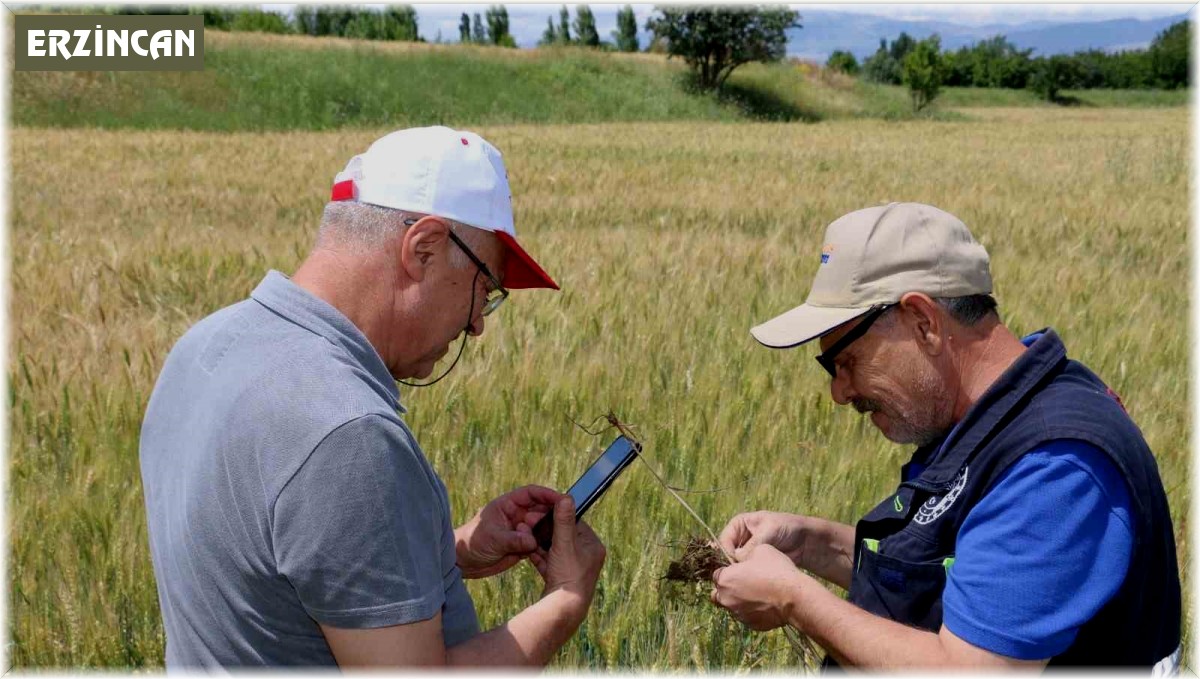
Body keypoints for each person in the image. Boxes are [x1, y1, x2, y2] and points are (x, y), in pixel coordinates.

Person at [139, 126, 606, 668]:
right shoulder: (346, 433)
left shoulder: (204, 346)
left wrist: (449, 552)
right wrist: (565, 601)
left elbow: (278, 567)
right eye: (485, 287)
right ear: (424, 248)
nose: (478, 322)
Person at [709, 202, 1181, 670]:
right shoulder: (997, 411)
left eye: (846, 361)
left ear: (924, 323)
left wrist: (794, 599)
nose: (838, 391)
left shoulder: (1056, 464)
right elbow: (968, 571)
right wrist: (811, 545)